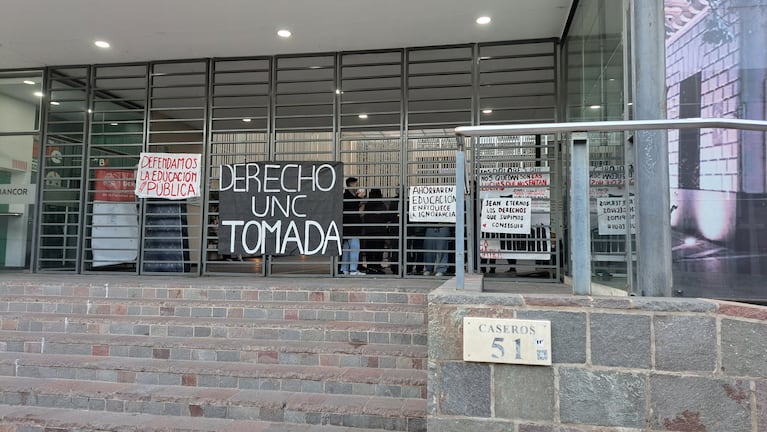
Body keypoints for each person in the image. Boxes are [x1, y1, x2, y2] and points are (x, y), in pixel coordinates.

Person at [341, 177, 365, 275]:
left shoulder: (347, 196)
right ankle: (353, 269)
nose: (357, 186)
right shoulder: (348, 196)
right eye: (356, 184)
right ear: (351, 184)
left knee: (346, 249)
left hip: (347, 227)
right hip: (351, 227)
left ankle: (344, 269)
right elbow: (354, 204)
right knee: (355, 247)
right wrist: (361, 198)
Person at [363, 188, 388, 274]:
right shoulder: (382, 205)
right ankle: (377, 266)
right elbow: (385, 217)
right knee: (378, 249)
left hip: (369, 231)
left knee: (369, 249)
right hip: (380, 231)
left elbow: (364, 217)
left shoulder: (367, 205)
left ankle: (370, 266)